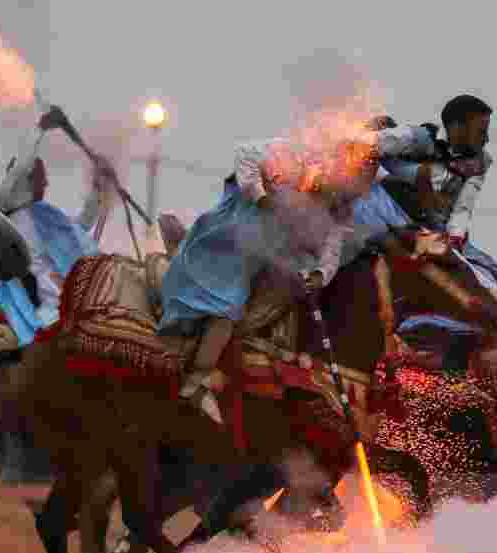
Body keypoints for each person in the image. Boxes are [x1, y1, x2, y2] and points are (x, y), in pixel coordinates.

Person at [157, 136, 377, 425]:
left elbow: (332, 246)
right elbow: (246, 153)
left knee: (246, 311)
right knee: (225, 306)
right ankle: (193, 379)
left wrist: (319, 274)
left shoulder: (339, 206)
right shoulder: (299, 154)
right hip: (234, 233)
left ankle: (207, 372)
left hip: (277, 263)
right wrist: (261, 195)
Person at [0, 107, 114, 346]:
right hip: (26, 305)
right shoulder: (2, 206)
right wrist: (40, 130)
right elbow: (20, 168)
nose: (46, 183)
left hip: (62, 300)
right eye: (41, 177)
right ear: (25, 180)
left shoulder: (45, 215)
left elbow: (80, 227)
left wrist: (98, 187)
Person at [353, 94, 497, 286]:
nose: (487, 139)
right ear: (456, 127)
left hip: (439, 228)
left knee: (489, 273)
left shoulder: (481, 162)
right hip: (402, 219)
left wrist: (455, 237)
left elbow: (464, 207)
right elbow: (369, 143)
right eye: (481, 132)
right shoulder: (418, 137)